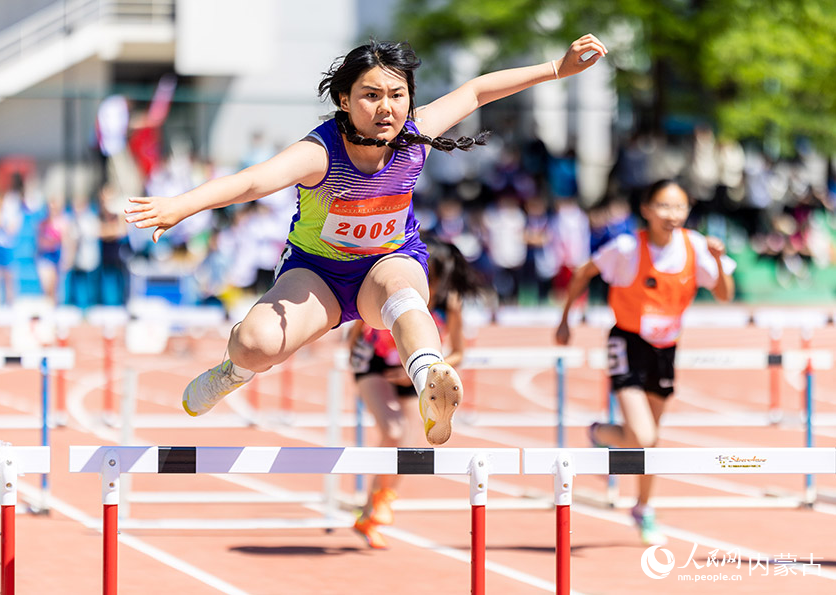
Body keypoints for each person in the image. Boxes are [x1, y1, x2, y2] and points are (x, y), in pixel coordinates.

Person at [125, 34, 607, 447]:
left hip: (389, 262)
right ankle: (233, 371)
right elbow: (254, 181)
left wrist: (556, 69)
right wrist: (180, 205)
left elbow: (477, 91)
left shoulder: (416, 133)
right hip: (318, 273)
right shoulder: (320, 153)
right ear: (344, 100)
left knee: (404, 291)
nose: (386, 108)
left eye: (397, 95)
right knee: (256, 344)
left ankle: (430, 382)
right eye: (371, 95)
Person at [555, 179, 736, 545]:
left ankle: (643, 507)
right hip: (628, 341)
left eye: (680, 207)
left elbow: (724, 295)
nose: (672, 215)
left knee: (651, 442)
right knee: (643, 435)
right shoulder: (626, 248)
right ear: (647, 210)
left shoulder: (696, 246)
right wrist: (565, 319)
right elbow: (583, 272)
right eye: (664, 207)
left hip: (666, 347)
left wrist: (718, 262)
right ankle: (599, 433)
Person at [350, 238, 483, 548]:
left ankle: (373, 507)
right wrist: (354, 357)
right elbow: (357, 329)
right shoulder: (397, 289)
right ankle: (377, 502)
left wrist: (428, 369)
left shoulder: (449, 304)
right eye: (428, 280)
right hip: (375, 364)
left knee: (408, 444)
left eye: (436, 283)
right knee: (394, 431)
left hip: (416, 372)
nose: (430, 289)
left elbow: (459, 352)